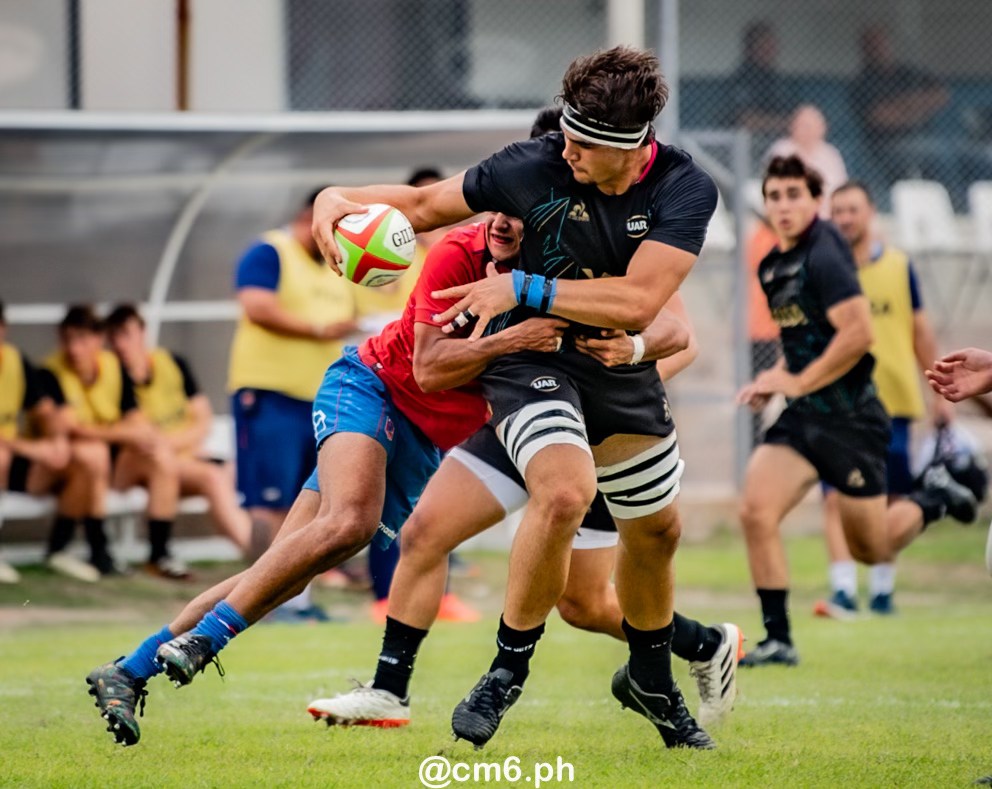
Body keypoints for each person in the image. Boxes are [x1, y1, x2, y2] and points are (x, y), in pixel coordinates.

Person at [311, 46, 720, 750]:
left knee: (657, 536)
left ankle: (655, 673)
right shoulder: (533, 165)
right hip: (532, 361)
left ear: (628, 147)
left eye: (582, 143)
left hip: (613, 371)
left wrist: (526, 288)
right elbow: (418, 203)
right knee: (562, 491)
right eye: (564, 134)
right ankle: (505, 669)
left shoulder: (684, 190)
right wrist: (333, 200)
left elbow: (643, 301)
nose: (565, 150)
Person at [84, 212, 566, 747]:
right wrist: (515, 338)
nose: (500, 219)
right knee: (350, 522)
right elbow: (429, 368)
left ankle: (128, 670)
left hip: (424, 438)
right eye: (495, 203)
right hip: (370, 386)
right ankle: (205, 641)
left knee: (285, 569)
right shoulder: (458, 252)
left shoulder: (563, 275)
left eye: (518, 211)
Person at [307, 292, 743, 734]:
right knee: (424, 532)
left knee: (583, 604)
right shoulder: (513, 238)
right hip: (523, 408)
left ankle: (704, 644)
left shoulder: (633, 243)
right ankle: (388, 690)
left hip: (600, 431)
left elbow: (682, 342)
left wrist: (606, 384)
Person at [735, 156, 976, 667]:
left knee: (873, 549)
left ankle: (932, 498)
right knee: (756, 509)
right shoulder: (772, 264)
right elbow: (802, 340)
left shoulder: (827, 253)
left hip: (852, 420)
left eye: (793, 195)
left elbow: (858, 333)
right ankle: (778, 638)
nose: (783, 206)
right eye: (773, 196)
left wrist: (795, 381)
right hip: (804, 416)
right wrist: (773, 380)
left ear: (814, 200)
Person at [814, 181, 954, 618]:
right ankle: (842, 590)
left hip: (892, 399)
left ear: (871, 212)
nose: (845, 218)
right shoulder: (822, 268)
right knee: (835, 495)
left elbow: (920, 331)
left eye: (853, 209)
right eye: (838, 211)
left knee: (891, 496)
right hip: (835, 403)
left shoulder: (898, 266)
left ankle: (881, 591)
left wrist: (941, 391)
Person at [228, 189, 360, 619]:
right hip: (268, 395)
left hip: (318, 402)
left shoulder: (331, 267)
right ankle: (255, 605)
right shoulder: (270, 251)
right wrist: (318, 329)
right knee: (269, 503)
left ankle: (297, 600)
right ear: (312, 218)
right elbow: (256, 306)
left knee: (310, 503)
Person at [44, 306, 190, 580]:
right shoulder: (52, 372)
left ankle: (159, 554)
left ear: (99, 339)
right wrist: (124, 433)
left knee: (160, 458)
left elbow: (134, 418)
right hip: (58, 465)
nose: (74, 348)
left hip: (112, 465)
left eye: (82, 339)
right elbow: (69, 428)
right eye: (68, 340)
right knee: (93, 454)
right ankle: (93, 550)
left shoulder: (114, 367)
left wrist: (146, 437)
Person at [104, 305, 251, 556]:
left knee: (228, 471)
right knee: (207, 473)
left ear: (142, 332)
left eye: (125, 334)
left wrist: (185, 448)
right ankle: (264, 560)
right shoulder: (115, 376)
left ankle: (269, 554)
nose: (120, 344)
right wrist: (188, 448)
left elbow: (202, 420)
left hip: (179, 459)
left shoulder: (172, 363)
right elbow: (146, 439)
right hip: (134, 466)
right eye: (114, 337)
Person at [0, 302, 72, 583]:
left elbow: (46, 411)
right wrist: (32, 448)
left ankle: (60, 550)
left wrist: (58, 442)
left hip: (13, 458)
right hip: (8, 454)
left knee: (82, 458)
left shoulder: (15, 362)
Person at [852, 26, 951, 188]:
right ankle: (955, 202)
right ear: (865, 50)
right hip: (886, 143)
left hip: (924, 137)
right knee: (939, 153)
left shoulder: (906, 72)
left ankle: (954, 202)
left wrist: (902, 105)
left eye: (882, 44)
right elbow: (881, 118)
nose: (879, 49)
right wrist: (918, 109)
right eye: (873, 45)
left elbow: (941, 95)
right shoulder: (862, 82)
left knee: (957, 152)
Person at [726, 20, 794, 157]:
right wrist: (784, 124)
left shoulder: (777, 79)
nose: (770, 50)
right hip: (749, 143)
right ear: (750, 48)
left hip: (780, 141)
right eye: (764, 45)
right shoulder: (742, 77)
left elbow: (796, 116)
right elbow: (746, 120)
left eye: (772, 45)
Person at [766, 105, 848, 218]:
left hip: (825, 215)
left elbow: (841, 188)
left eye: (811, 126)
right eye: (803, 125)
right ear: (793, 127)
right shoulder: (782, 150)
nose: (807, 130)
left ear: (822, 128)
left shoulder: (831, 154)